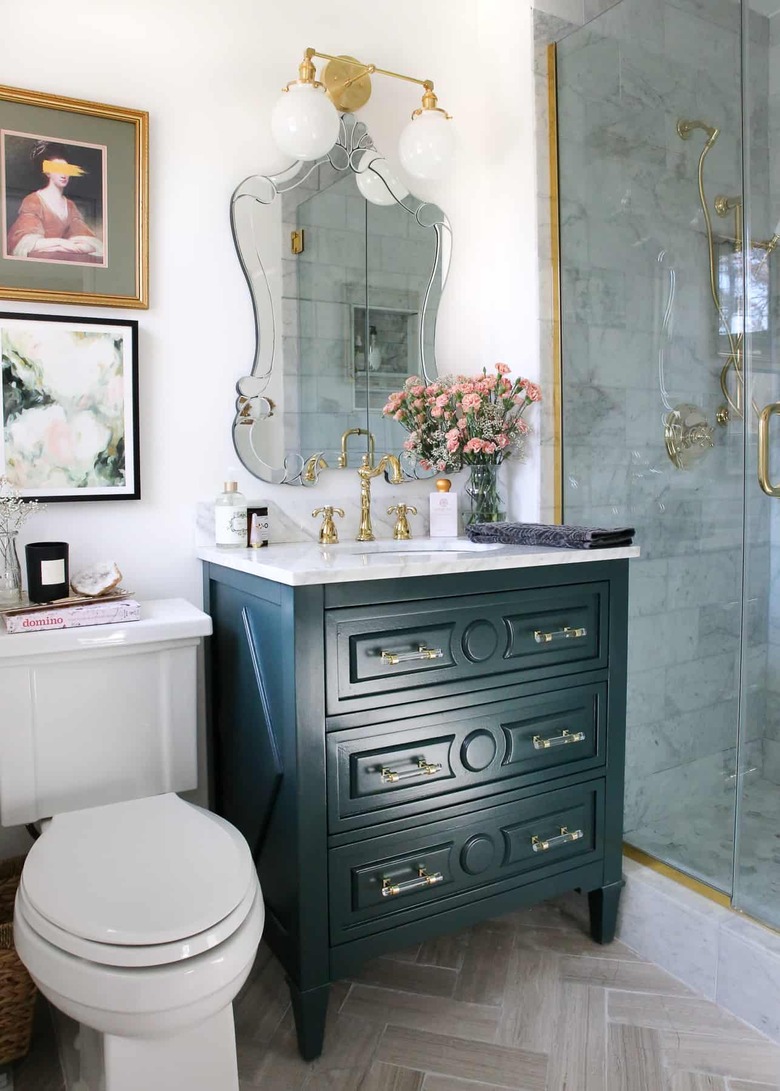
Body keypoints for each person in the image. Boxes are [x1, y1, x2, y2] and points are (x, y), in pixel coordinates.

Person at [5, 142, 103, 261]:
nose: (63, 174)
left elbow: (87, 241)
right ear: (47, 172)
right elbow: (25, 242)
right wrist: (62, 243)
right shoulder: (33, 200)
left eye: (66, 169)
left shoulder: (70, 205)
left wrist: (74, 246)